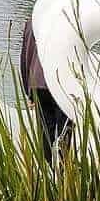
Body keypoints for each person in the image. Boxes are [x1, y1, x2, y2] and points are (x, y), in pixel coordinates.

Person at [20, 19, 71, 158]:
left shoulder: (32, 22)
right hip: (61, 84)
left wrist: (28, 91)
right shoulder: (66, 21)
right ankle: (62, 170)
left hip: (37, 84)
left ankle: (50, 168)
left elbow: (25, 57)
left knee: (46, 133)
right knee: (64, 132)